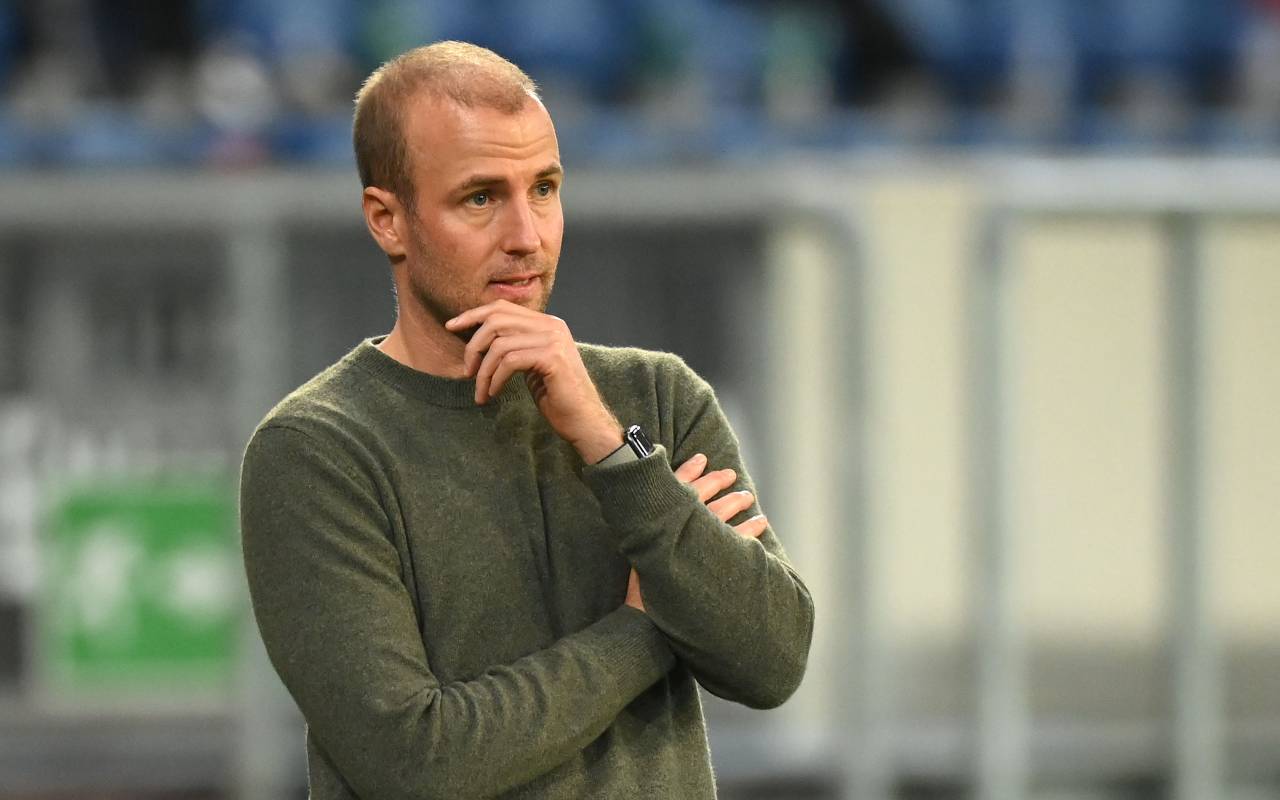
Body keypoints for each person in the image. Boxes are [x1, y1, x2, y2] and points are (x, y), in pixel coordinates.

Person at [239, 40, 814, 800]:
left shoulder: (655, 397)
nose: (526, 236)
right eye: (481, 198)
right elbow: (416, 763)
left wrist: (610, 447)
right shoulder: (315, 451)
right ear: (388, 221)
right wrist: (647, 624)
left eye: (543, 189)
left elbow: (772, 661)